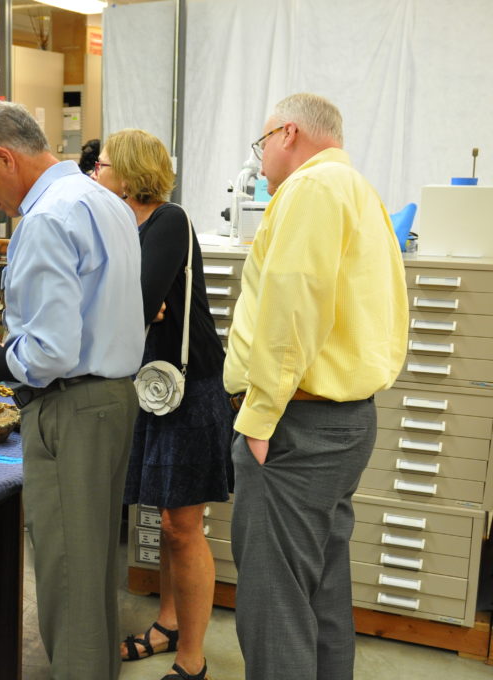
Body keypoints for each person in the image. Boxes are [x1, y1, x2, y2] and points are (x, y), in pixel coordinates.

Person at [224, 93, 408, 680]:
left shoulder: (310, 189)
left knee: (274, 604)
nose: (262, 160)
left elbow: (292, 309)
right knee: (322, 589)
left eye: (263, 143)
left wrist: (259, 417)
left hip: (295, 428)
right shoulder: (360, 192)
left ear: (288, 133)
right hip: (342, 421)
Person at [0, 100, 144, 680]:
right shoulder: (105, 202)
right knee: (92, 571)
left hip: (70, 406)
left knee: (69, 578)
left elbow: (52, 351)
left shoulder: (45, 219)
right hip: (114, 400)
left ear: (4, 157)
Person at [96, 129, 232, 680]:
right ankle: (167, 623)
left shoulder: (168, 220)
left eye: (101, 164)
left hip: (189, 388)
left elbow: (136, 302)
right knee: (167, 518)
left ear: (127, 175)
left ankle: (191, 657)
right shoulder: (121, 226)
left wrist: (130, 302)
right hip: (151, 386)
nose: (94, 172)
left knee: (183, 524)